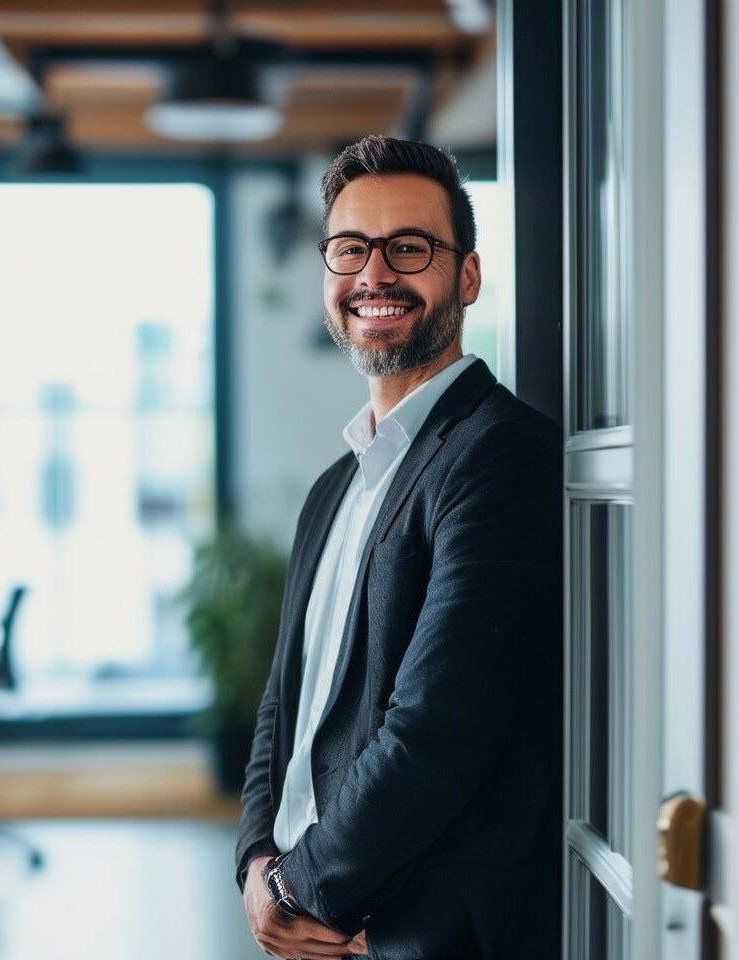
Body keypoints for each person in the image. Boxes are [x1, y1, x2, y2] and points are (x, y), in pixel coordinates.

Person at [235, 135, 562, 959]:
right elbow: (283, 705)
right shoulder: (332, 489)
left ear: (467, 276)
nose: (374, 275)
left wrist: (302, 888)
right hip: (316, 920)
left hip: (416, 931)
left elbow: (438, 732)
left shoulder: (500, 453)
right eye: (350, 249)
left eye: (408, 248)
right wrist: (254, 862)